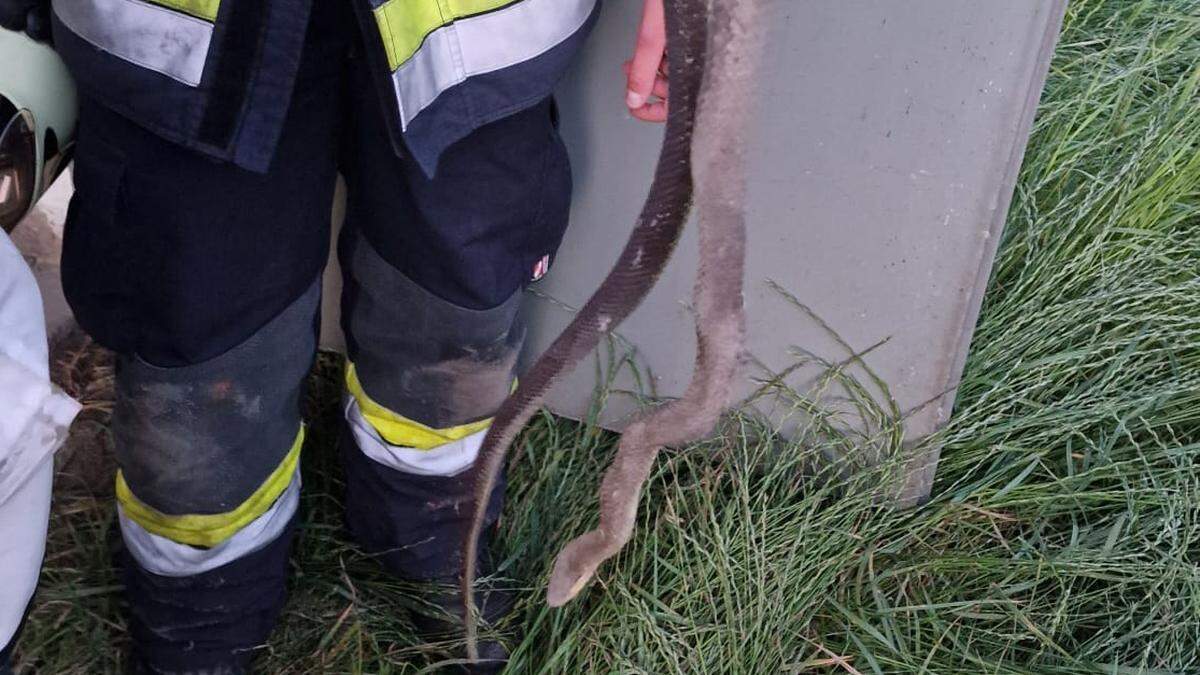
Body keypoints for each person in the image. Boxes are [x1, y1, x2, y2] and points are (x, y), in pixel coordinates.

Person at [0, 0, 672, 672]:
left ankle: (428, 517)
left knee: (455, 271)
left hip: (475, 27)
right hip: (180, 34)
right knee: (193, 305)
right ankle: (203, 593)